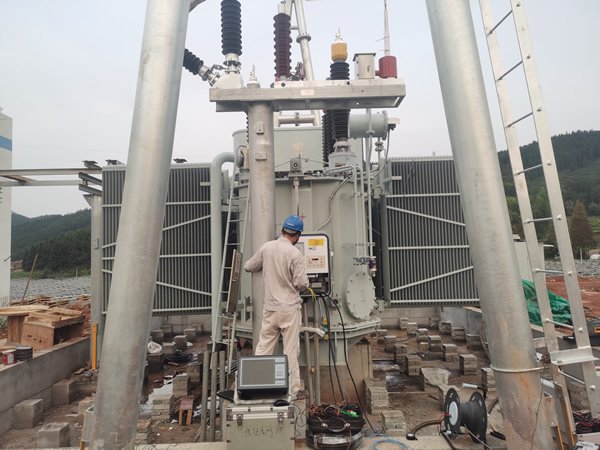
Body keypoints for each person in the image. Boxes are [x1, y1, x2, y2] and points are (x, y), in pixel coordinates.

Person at [243, 215, 309, 397]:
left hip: (270, 308)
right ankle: (293, 390)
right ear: (298, 235)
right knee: (290, 351)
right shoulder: (295, 254)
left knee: (264, 347)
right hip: (290, 310)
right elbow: (301, 283)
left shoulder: (267, 247)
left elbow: (249, 266)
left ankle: (256, 384)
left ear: (282, 231)